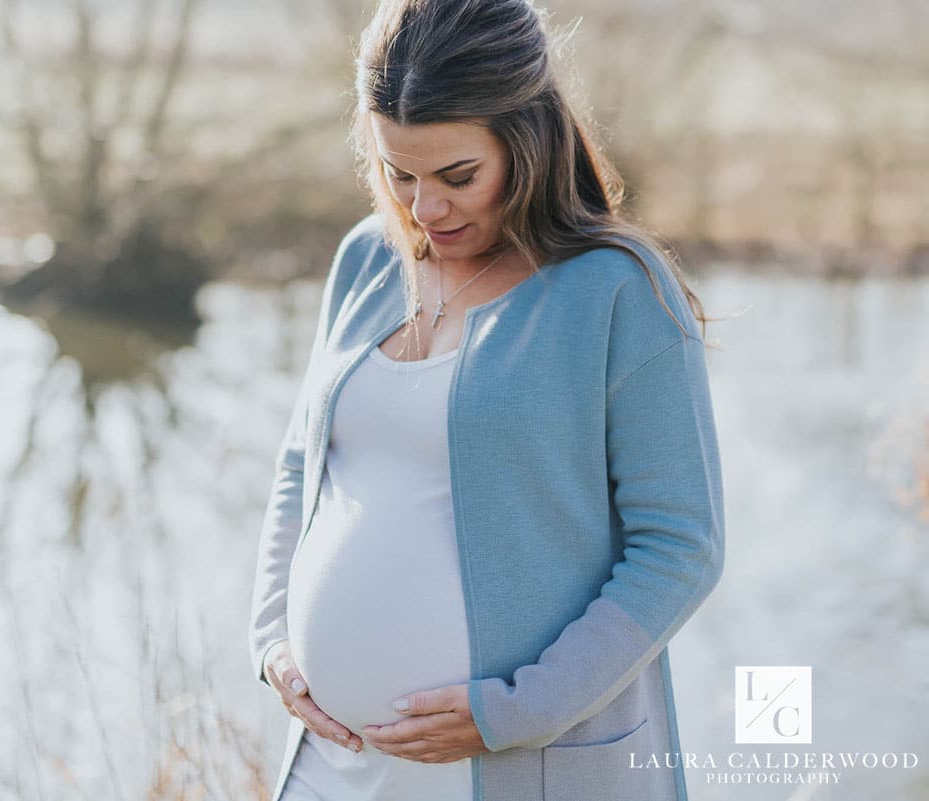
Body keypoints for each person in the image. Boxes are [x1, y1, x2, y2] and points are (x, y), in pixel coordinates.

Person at [247, 1, 725, 799]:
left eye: (457, 176)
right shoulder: (366, 260)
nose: (424, 209)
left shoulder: (618, 293)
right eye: (399, 173)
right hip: (335, 768)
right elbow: (302, 464)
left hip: (520, 768)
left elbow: (681, 548)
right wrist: (272, 643)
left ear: (527, 141)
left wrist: (516, 709)